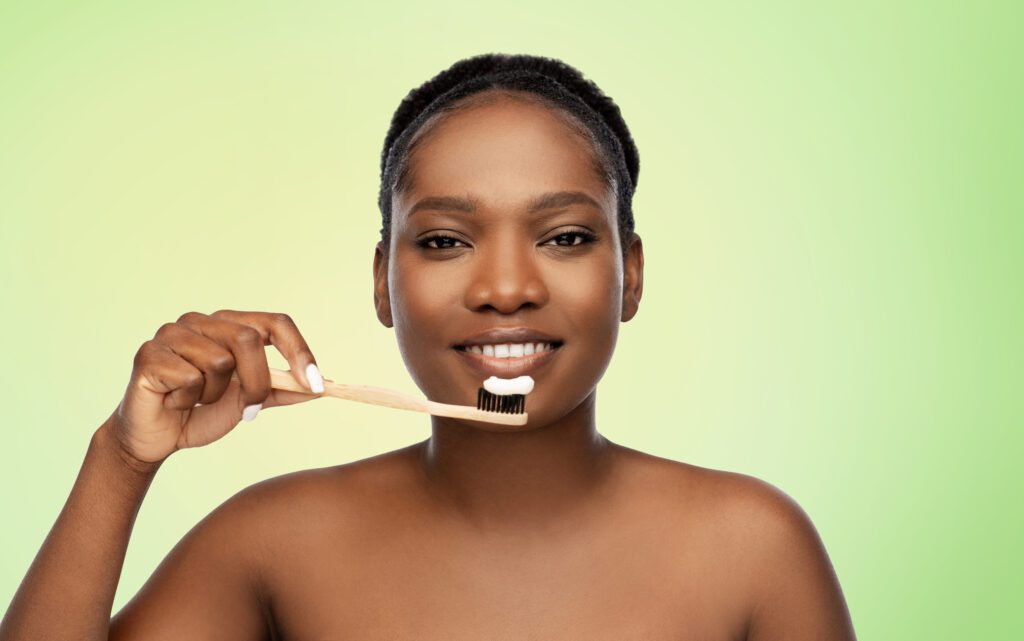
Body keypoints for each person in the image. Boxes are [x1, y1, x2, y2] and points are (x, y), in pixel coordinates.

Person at [0, 53, 857, 640]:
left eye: (563, 237)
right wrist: (120, 458)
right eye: (446, 241)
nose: (505, 286)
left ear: (630, 275)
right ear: (383, 281)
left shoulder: (752, 546)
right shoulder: (273, 543)